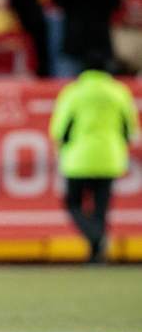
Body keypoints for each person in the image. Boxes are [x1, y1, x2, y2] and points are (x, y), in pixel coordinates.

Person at [49, 60, 140, 263]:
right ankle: (97, 253)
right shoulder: (119, 91)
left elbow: (59, 129)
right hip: (110, 158)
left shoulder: (73, 91)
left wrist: (63, 148)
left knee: (73, 203)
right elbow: (130, 129)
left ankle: (95, 237)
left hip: (77, 159)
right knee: (101, 208)